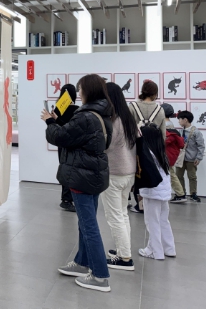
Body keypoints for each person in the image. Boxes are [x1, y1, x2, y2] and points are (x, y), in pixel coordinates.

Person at [42, 74, 113, 292]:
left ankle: (100, 276)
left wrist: (50, 121)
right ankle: (82, 263)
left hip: (82, 175)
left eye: (81, 89)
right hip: (94, 173)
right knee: (85, 222)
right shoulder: (102, 114)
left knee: (88, 226)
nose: (79, 93)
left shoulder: (86, 117)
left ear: (88, 91)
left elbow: (59, 137)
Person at [101, 83, 138, 271]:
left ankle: (125, 259)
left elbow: (105, 146)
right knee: (122, 214)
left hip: (114, 174)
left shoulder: (113, 121)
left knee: (114, 216)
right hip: (129, 173)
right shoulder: (128, 119)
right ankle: (123, 250)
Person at [138, 124, 176, 260]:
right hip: (164, 192)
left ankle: (155, 251)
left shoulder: (147, 153)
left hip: (152, 192)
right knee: (163, 221)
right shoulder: (161, 152)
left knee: (152, 222)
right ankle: (169, 249)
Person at [127, 80, 166, 213]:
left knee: (137, 175)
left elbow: (128, 130)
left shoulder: (132, 107)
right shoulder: (160, 110)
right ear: (155, 93)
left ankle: (139, 204)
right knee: (150, 174)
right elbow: (163, 134)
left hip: (136, 147)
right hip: (154, 149)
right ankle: (148, 204)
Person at [53, 84, 80, 212]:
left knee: (65, 169)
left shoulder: (57, 109)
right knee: (71, 170)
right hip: (73, 144)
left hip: (62, 144)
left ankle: (67, 199)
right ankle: (67, 199)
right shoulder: (77, 110)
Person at [176, 110, 204, 202]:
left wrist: (198, 157)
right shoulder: (180, 131)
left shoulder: (196, 132)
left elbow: (201, 146)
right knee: (178, 176)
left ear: (185, 120)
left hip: (192, 159)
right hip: (180, 158)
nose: (179, 121)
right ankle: (181, 193)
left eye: (180, 119)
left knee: (192, 177)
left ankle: (193, 194)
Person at [162, 105, 187, 204]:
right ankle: (180, 194)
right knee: (171, 174)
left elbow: (163, 141)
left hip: (166, 155)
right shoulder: (171, 126)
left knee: (171, 175)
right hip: (171, 155)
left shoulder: (165, 126)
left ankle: (180, 194)